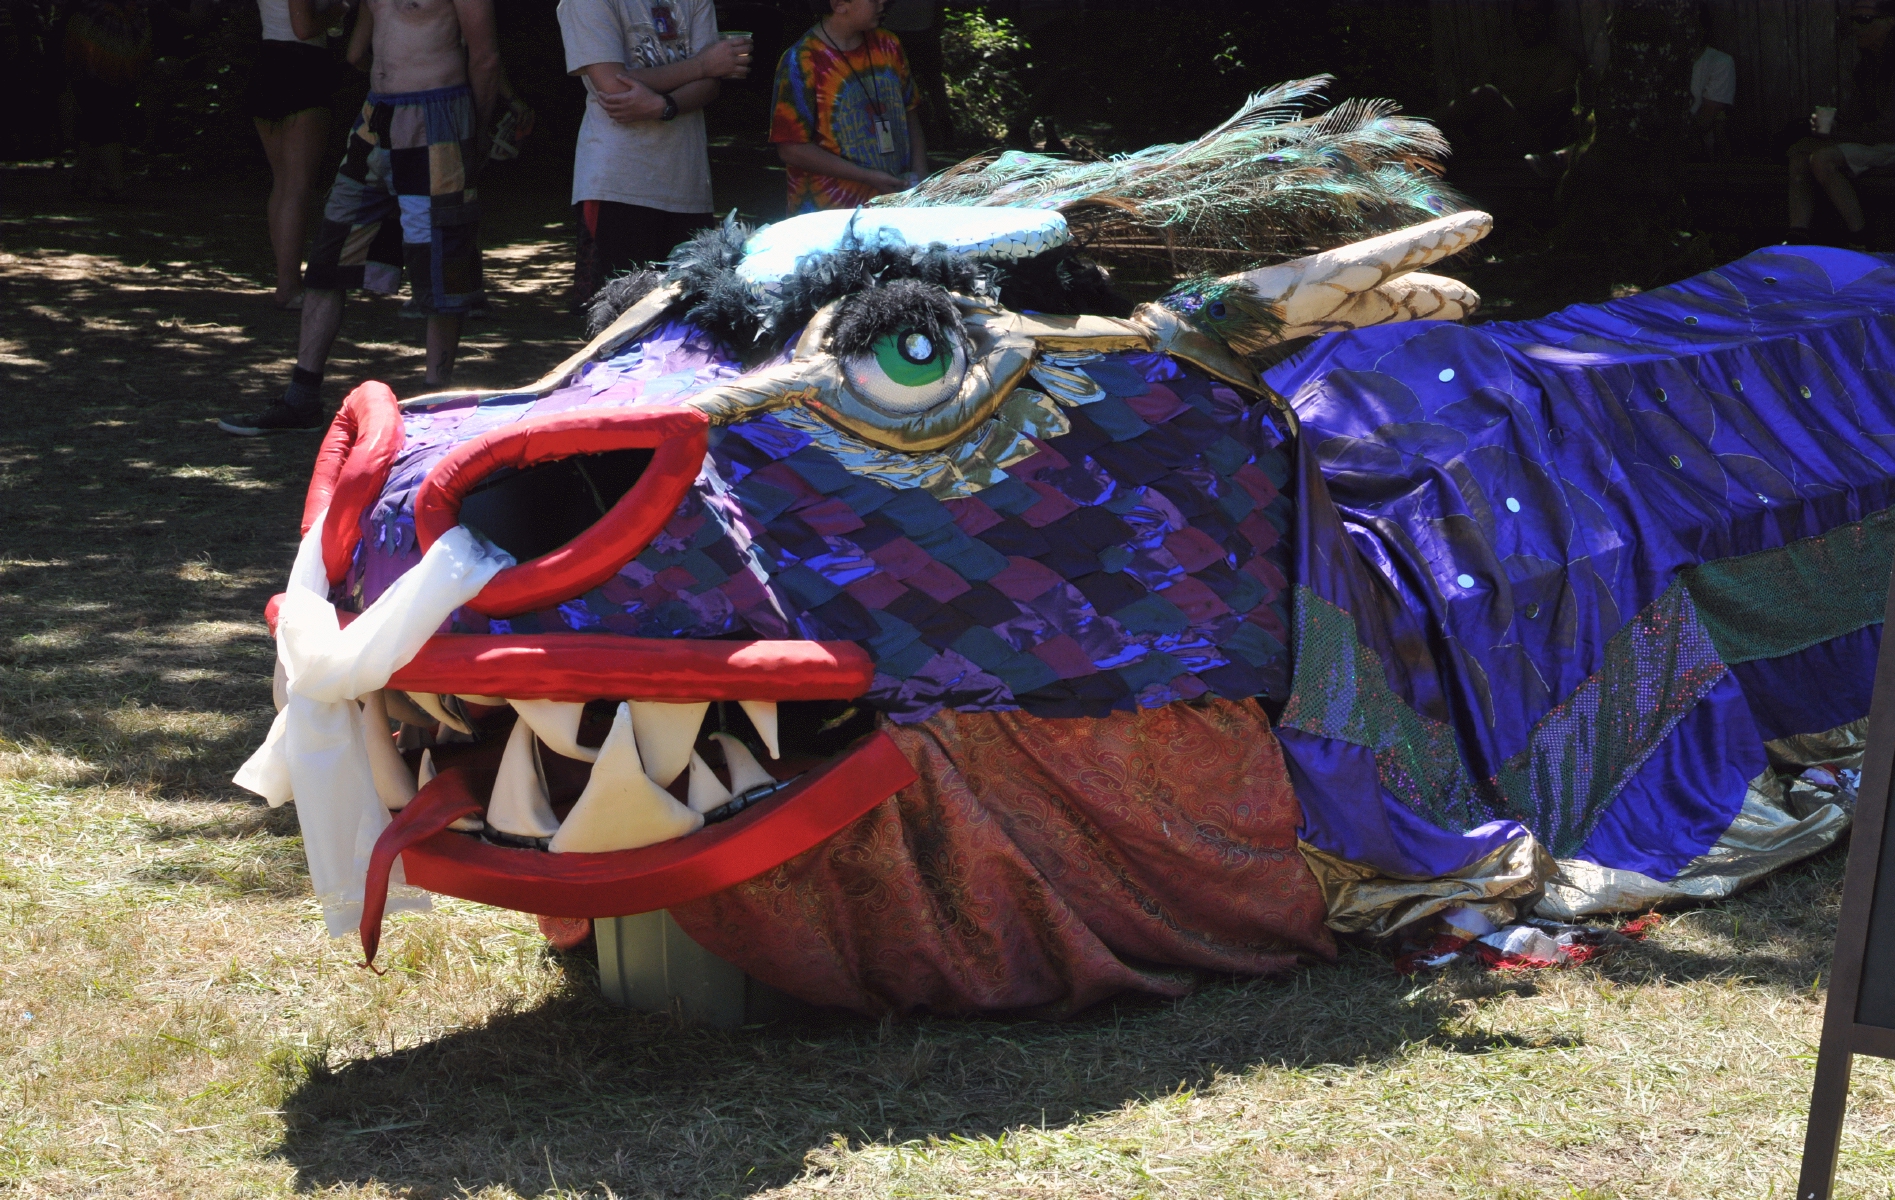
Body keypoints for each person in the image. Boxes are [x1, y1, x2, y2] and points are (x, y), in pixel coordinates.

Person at [220, 0, 501, 436]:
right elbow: (356, 51)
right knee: (330, 252)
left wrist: (473, 134)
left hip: (439, 115)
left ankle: (433, 406)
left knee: (441, 262)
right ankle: (302, 397)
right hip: (377, 115)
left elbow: (485, 55)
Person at [557, 0, 751, 310]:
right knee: (615, 323)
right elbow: (612, 85)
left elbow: (712, 82)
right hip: (616, 187)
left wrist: (664, 106)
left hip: (688, 187)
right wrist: (700, 65)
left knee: (687, 329)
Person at [769, 0, 927, 214]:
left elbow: (910, 112)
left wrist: (921, 180)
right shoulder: (802, 60)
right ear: (839, 4)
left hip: (894, 209)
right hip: (827, 219)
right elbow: (791, 149)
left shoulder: (889, 45)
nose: (883, 2)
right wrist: (867, 177)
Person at [247, 0, 346, 310]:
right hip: (300, 66)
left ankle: (285, 279)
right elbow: (303, 27)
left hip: (269, 62)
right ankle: (288, 284)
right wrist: (341, 9)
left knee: (284, 183)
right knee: (298, 186)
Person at [1787, 0, 1895, 248]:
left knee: (1823, 159)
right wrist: (1832, 128)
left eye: (1864, 20)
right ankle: (1797, 238)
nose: (1856, 28)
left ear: (1891, 22)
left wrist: (1841, 134)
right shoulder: (1867, 65)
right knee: (1800, 153)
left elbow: (1888, 129)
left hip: (1888, 142)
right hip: (1876, 141)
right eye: (1852, 20)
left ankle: (1861, 240)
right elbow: (1858, 118)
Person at [1434, 0, 1580, 161]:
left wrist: (1501, 101)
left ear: (1547, 18)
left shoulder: (1562, 60)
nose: (1528, 22)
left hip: (1532, 140)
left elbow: (1544, 109)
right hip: (1489, 137)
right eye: (1522, 16)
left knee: (1486, 94)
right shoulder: (1500, 62)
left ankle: (1417, 125)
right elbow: (1468, 105)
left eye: (1535, 15)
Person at [61, 0, 153, 201]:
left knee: (99, 115)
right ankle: (115, 183)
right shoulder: (90, 15)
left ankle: (84, 177)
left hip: (112, 55)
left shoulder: (130, 16)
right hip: (97, 59)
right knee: (102, 116)